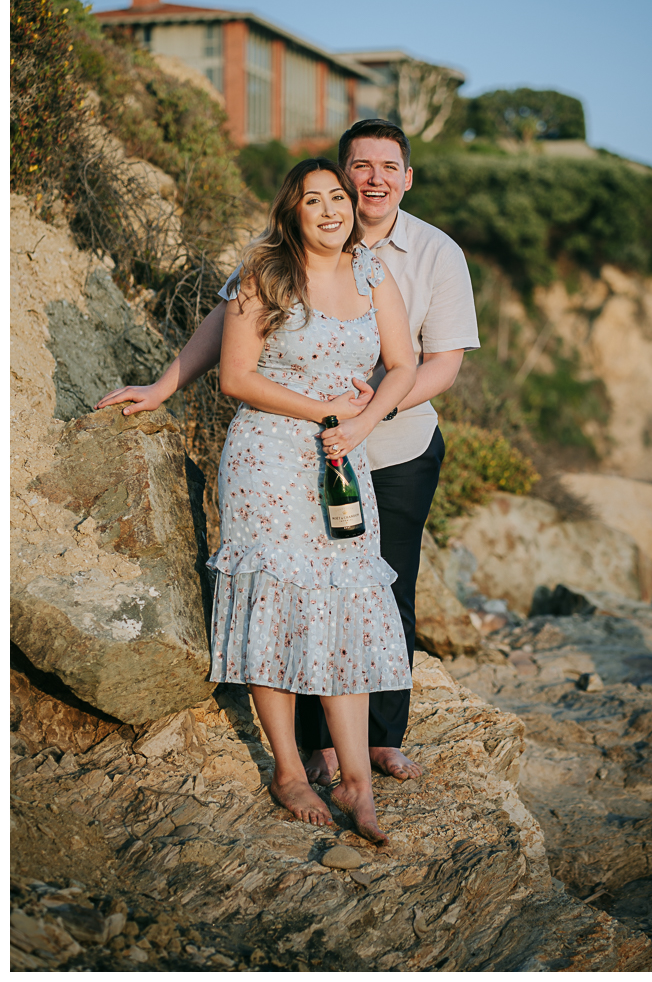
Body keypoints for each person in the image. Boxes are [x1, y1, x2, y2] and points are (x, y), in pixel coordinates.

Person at [96, 119, 480, 786]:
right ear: (339, 176)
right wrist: (165, 383)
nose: (374, 179)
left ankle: (382, 741)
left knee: (384, 592)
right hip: (301, 452)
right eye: (359, 166)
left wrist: (368, 415)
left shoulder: (434, 253)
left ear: (407, 178)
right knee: (301, 590)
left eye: (389, 166)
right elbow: (227, 323)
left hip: (396, 445)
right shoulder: (293, 250)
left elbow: (439, 363)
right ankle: (315, 749)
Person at [204, 157, 416, 842]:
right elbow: (235, 377)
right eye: (312, 200)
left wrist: (359, 422)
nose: (329, 210)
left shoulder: (371, 272)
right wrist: (324, 411)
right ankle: (290, 769)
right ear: (291, 213)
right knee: (277, 599)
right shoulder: (265, 272)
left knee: (348, 602)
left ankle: (356, 779)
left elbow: (403, 363)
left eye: (337, 197)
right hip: (268, 457)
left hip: (338, 462)